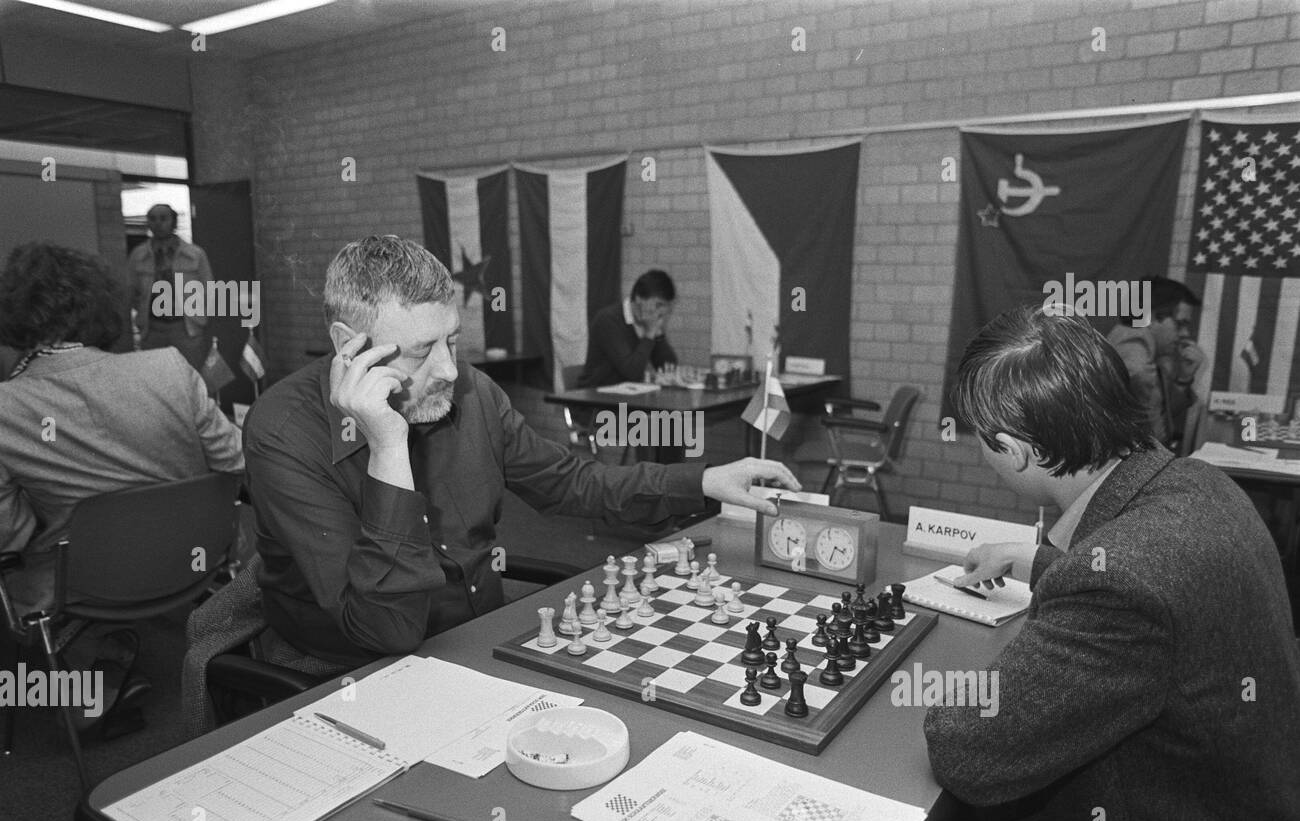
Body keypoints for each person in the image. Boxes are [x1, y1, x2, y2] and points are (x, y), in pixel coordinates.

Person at [243, 237, 797, 666]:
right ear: (349, 347)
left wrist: (701, 482)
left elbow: (573, 481)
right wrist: (389, 449)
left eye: (453, 341)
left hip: (478, 635)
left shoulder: (474, 393)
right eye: (418, 353)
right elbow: (384, 630)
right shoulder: (284, 433)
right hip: (353, 671)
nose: (448, 370)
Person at [924, 303, 1300, 821]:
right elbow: (1164, 589)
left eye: (983, 440)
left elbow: (966, 754)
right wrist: (1035, 560)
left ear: (1015, 451)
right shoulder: (1198, 481)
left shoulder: (1122, 585)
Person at [0, 243, 245, 618]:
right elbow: (234, 460)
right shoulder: (170, 369)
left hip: (81, 584)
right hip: (193, 559)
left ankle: (105, 660)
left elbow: (10, 536)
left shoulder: (8, 407)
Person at [1106, 275, 1205, 450]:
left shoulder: (1145, 349)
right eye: (1180, 324)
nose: (1185, 334)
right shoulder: (1134, 344)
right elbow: (1146, 429)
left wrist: (1183, 378)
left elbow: (1154, 413)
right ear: (1151, 316)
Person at [128, 203, 214, 369]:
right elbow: (131, 291)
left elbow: (209, 289)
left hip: (185, 328)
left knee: (190, 376)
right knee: (157, 379)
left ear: (174, 223)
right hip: (152, 330)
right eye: (152, 219)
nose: (158, 223)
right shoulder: (138, 255)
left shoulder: (195, 254)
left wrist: (198, 316)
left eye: (163, 218)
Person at [576, 269, 678, 388]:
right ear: (639, 299)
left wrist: (659, 333)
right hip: (597, 398)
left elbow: (668, 368)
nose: (662, 312)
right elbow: (632, 372)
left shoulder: (647, 323)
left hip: (628, 399)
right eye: (658, 304)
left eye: (666, 307)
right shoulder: (608, 320)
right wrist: (650, 333)